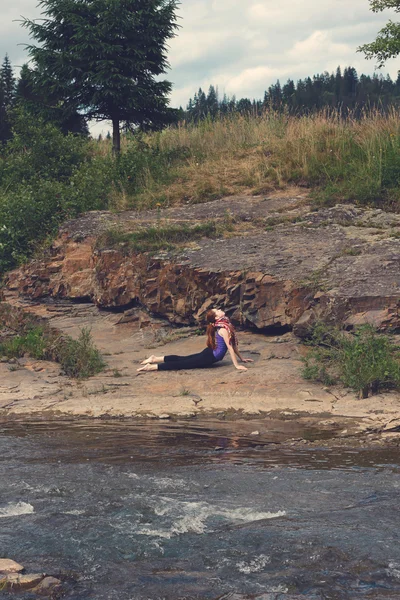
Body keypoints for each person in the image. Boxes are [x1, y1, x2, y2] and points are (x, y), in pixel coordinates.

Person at [137, 308, 253, 373]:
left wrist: (242, 358)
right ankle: (151, 366)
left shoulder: (225, 325)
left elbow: (233, 343)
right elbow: (230, 347)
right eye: (217, 310)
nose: (220, 309)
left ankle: (155, 359)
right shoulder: (223, 328)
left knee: (183, 359)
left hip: (209, 353)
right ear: (217, 318)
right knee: (182, 363)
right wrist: (236, 365)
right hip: (209, 357)